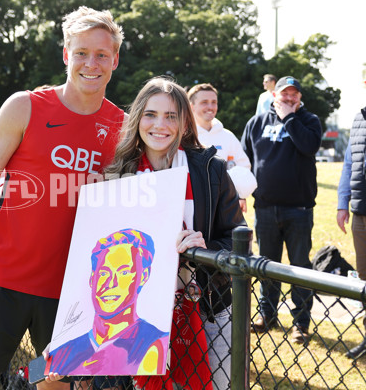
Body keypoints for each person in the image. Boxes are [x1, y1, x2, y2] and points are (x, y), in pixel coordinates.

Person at [0, 6, 125, 390]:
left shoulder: (123, 128)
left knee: (52, 385)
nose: (90, 64)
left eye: (100, 54)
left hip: (71, 293)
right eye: (81, 53)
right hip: (1, 281)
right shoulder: (25, 106)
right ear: (66, 55)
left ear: (114, 59)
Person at [104, 77, 245, 390]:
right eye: (151, 114)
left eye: (171, 116)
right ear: (138, 117)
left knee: (222, 385)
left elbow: (240, 240)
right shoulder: (118, 175)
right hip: (135, 317)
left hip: (209, 306)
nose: (160, 125)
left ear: (185, 122)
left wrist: (206, 249)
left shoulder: (211, 169)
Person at [241, 76, 321, 345]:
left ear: (299, 98)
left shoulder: (309, 121)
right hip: (264, 208)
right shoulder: (256, 123)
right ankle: (267, 314)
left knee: (300, 267)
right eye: (284, 94)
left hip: (298, 209)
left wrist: (289, 118)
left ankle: (301, 322)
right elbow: (245, 161)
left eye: (294, 95)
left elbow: (308, 146)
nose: (288, 99)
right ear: (274, 95)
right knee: (267, 265)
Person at [50, 229, 168, 375]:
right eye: (104, 273)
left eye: (124, 272)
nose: (111, 283)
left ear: (143, 276)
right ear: (92, 278)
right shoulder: (63, 352)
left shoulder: (156, 344)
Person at [188, 83, 257, 212]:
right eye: (204, 102)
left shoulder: (227, 136)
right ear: (191, 106)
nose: (210, 107)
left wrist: (241, 195)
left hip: (225, 207)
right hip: (194, 207)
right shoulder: (184, 136)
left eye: (214, 102)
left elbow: (243, 167)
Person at [337, 106, 366, 359]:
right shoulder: (358, 118)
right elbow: (349, 164)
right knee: (365, 275)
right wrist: (342, 203)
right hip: (360, 213)